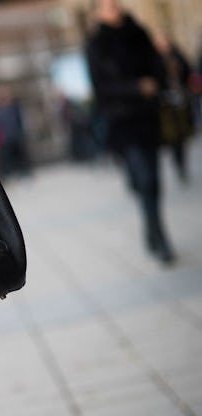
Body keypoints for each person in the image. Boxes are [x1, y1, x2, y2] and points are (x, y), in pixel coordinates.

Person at [86, 0, 176, 264]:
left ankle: (154, 232)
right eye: (107, 6)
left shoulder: (140, 34)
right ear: (99, 13)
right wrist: (136, 88)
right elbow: (101, 87)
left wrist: (155, 82)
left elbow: (157, 68)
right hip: (121, 122)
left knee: (153, 181)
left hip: (147, 118)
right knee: (144, 180)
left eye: (115, 4)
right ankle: (158, 238)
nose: (113, 8)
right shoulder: (96, 44)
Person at [154, 32, 195, 184]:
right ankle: (178, 163)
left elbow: (188, 71)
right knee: (172, 137)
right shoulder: (154, 58)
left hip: (181, 100)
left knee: (182, 135)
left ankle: (182, 163)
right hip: (165, 104)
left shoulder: (177, 55)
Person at [0, 85, 30, 177]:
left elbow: (20, 120)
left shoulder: (14, 107)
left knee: (20, 155)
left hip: (16, 135)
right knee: (8, 157)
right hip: (4, 137)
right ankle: (11, 173)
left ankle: (24, 172)